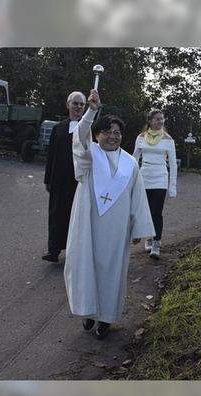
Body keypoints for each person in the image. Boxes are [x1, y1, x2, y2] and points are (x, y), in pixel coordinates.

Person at [64, 89, 155, 340]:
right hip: (88, 223)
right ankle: (88, 311)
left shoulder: (130, 163)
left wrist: (139, 228)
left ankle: (105, 318)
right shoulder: (89, 155)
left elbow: (137, 197)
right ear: (97, 134)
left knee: (111, 271)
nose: (113, 137)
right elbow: (79, 135)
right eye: (107, 132)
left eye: (117, 133)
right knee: (87, 266)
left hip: (116, 228)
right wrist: (92, 110)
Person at [42, 91, 86, 262]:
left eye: (82, 104)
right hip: (59, 180)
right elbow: (51, 155)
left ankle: (74, 252)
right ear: (68, 105)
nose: (78, 107)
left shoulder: (88, 128)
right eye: (75, 103)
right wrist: (47, 179)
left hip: (79, 180)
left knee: (76, 216)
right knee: (56, 214)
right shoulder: (58, 128)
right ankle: (53, 250)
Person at [133, 109, 178, 260]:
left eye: (162, 119)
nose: (160, 121)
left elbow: (173, 164)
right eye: (157, 119)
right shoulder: (141, 138)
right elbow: (134, 159)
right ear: (150, 121)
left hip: (160, 178)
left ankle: (157, 242)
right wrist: (128, 179)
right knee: (145, 211)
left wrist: (172, 187)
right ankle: (149, 238)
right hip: (144, 176)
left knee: (156, 212)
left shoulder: (168, 139)